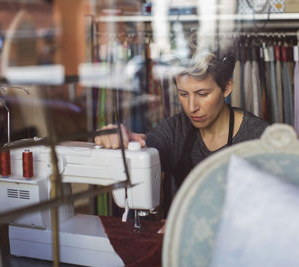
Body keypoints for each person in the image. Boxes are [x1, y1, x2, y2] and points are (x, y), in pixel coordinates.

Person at [95, 49, 269, 230]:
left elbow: (269, 211)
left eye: (202, 94)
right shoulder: (175, 129)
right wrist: (125, 137)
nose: (192, 107)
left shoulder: (257, 137)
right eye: (183, 94)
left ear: (226, 88)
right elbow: (148, 144)